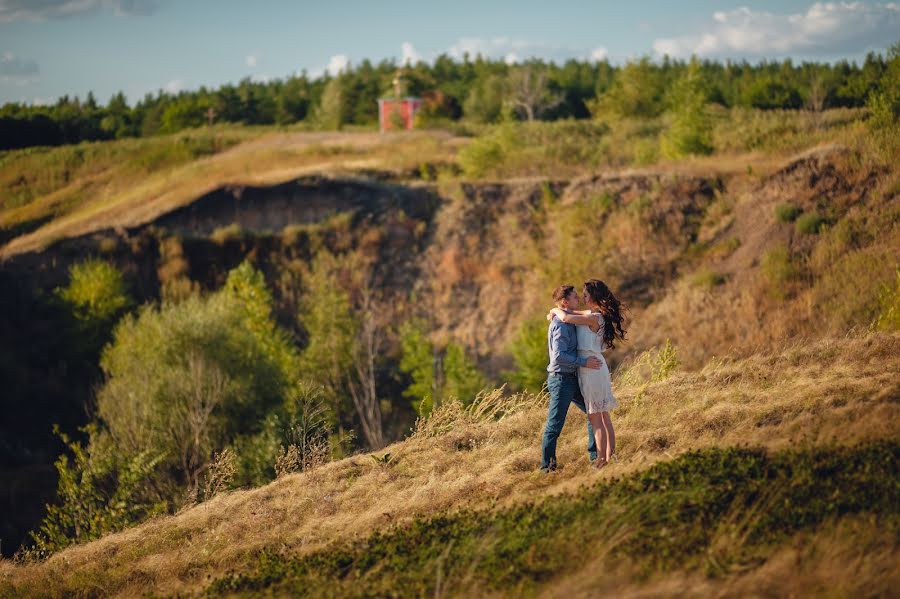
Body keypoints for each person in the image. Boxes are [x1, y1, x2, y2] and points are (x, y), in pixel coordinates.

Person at [548, 279, 627, 468]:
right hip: (592, 367)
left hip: (591, 368)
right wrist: (556, 311)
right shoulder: (594, 314)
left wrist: (555, 310)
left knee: (596, 417)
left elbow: (566, 317)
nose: (582, 298)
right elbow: (571, 313)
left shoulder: (594, 317)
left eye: (585, 295)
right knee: (603, 416)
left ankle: (601, 459)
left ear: (594, 296)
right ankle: (608, 457)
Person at [540, 284, 602, 472]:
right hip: (560, 380)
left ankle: (595, 456)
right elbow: (558, 356)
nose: (578, 299)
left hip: (571, 378)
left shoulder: (567, 318)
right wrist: (584, 362)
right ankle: (547, 468)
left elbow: (583, 314)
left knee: (594, 412)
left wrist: (553, 310)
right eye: (575, 297)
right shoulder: (560, 324)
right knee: (554, 425)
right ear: (566, 301)